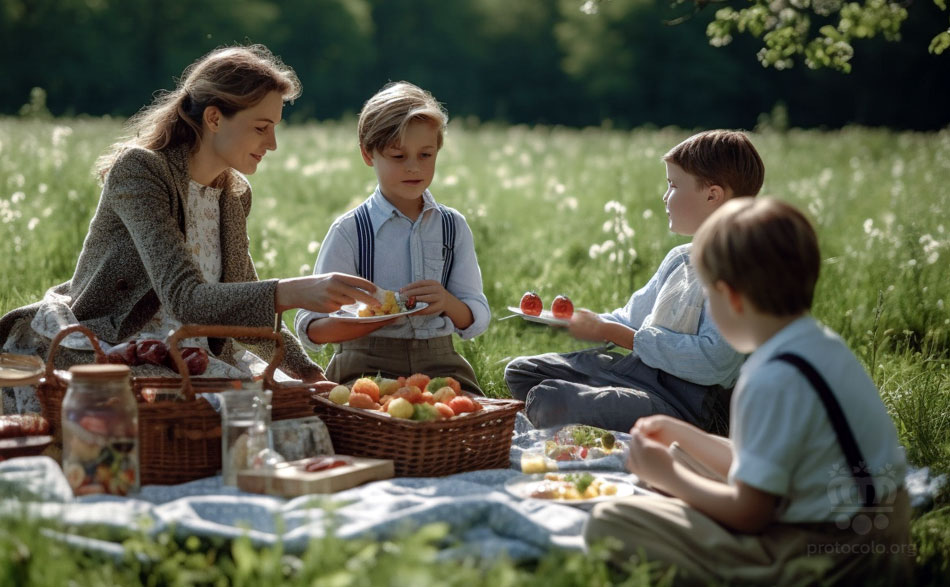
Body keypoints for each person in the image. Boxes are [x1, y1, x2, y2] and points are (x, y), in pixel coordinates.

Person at [0, 44, 380, 414]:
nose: (273, 144)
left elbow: (240, 303)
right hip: (118, 346)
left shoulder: (233, 194)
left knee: (298, 408)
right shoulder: (142, 171)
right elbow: (185, 298)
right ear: (214, 118)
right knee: (228, 415)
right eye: (261, 127)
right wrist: (292, 291)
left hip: (195, 354)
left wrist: (305, 370)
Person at [584, 197, 910, 584]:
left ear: (732, 297)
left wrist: (669, 476)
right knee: (680, 455)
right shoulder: (822, 345)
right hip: (883, 534)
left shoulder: (766, 379)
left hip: (822, 558)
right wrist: (684, 436)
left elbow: (750, 513)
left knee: (611, 520)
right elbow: (767, 457)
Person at [504, 130, 764, 432]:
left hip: (688, 405)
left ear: (712, 195)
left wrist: (621, 335)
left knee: (550, 399)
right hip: (640, 375)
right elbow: (630, 318)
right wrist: (578, 322)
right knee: (521, 372)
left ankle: (588, 409)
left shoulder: (741, 270)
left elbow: (713, 362)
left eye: (673, 185)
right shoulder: (681, 258)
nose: (665, 196)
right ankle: (594, 407)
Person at [294, 81, 490, 393]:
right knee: (365, 419)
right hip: (364, 365)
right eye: (398, 156)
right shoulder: (351, 231)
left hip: (439, 360)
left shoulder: (452, 227)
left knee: (465, 420)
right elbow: (311, 327)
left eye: (425, 155)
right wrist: (366, 320)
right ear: (368, 154)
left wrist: (447, 302)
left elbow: (475, 317)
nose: (414, 167)